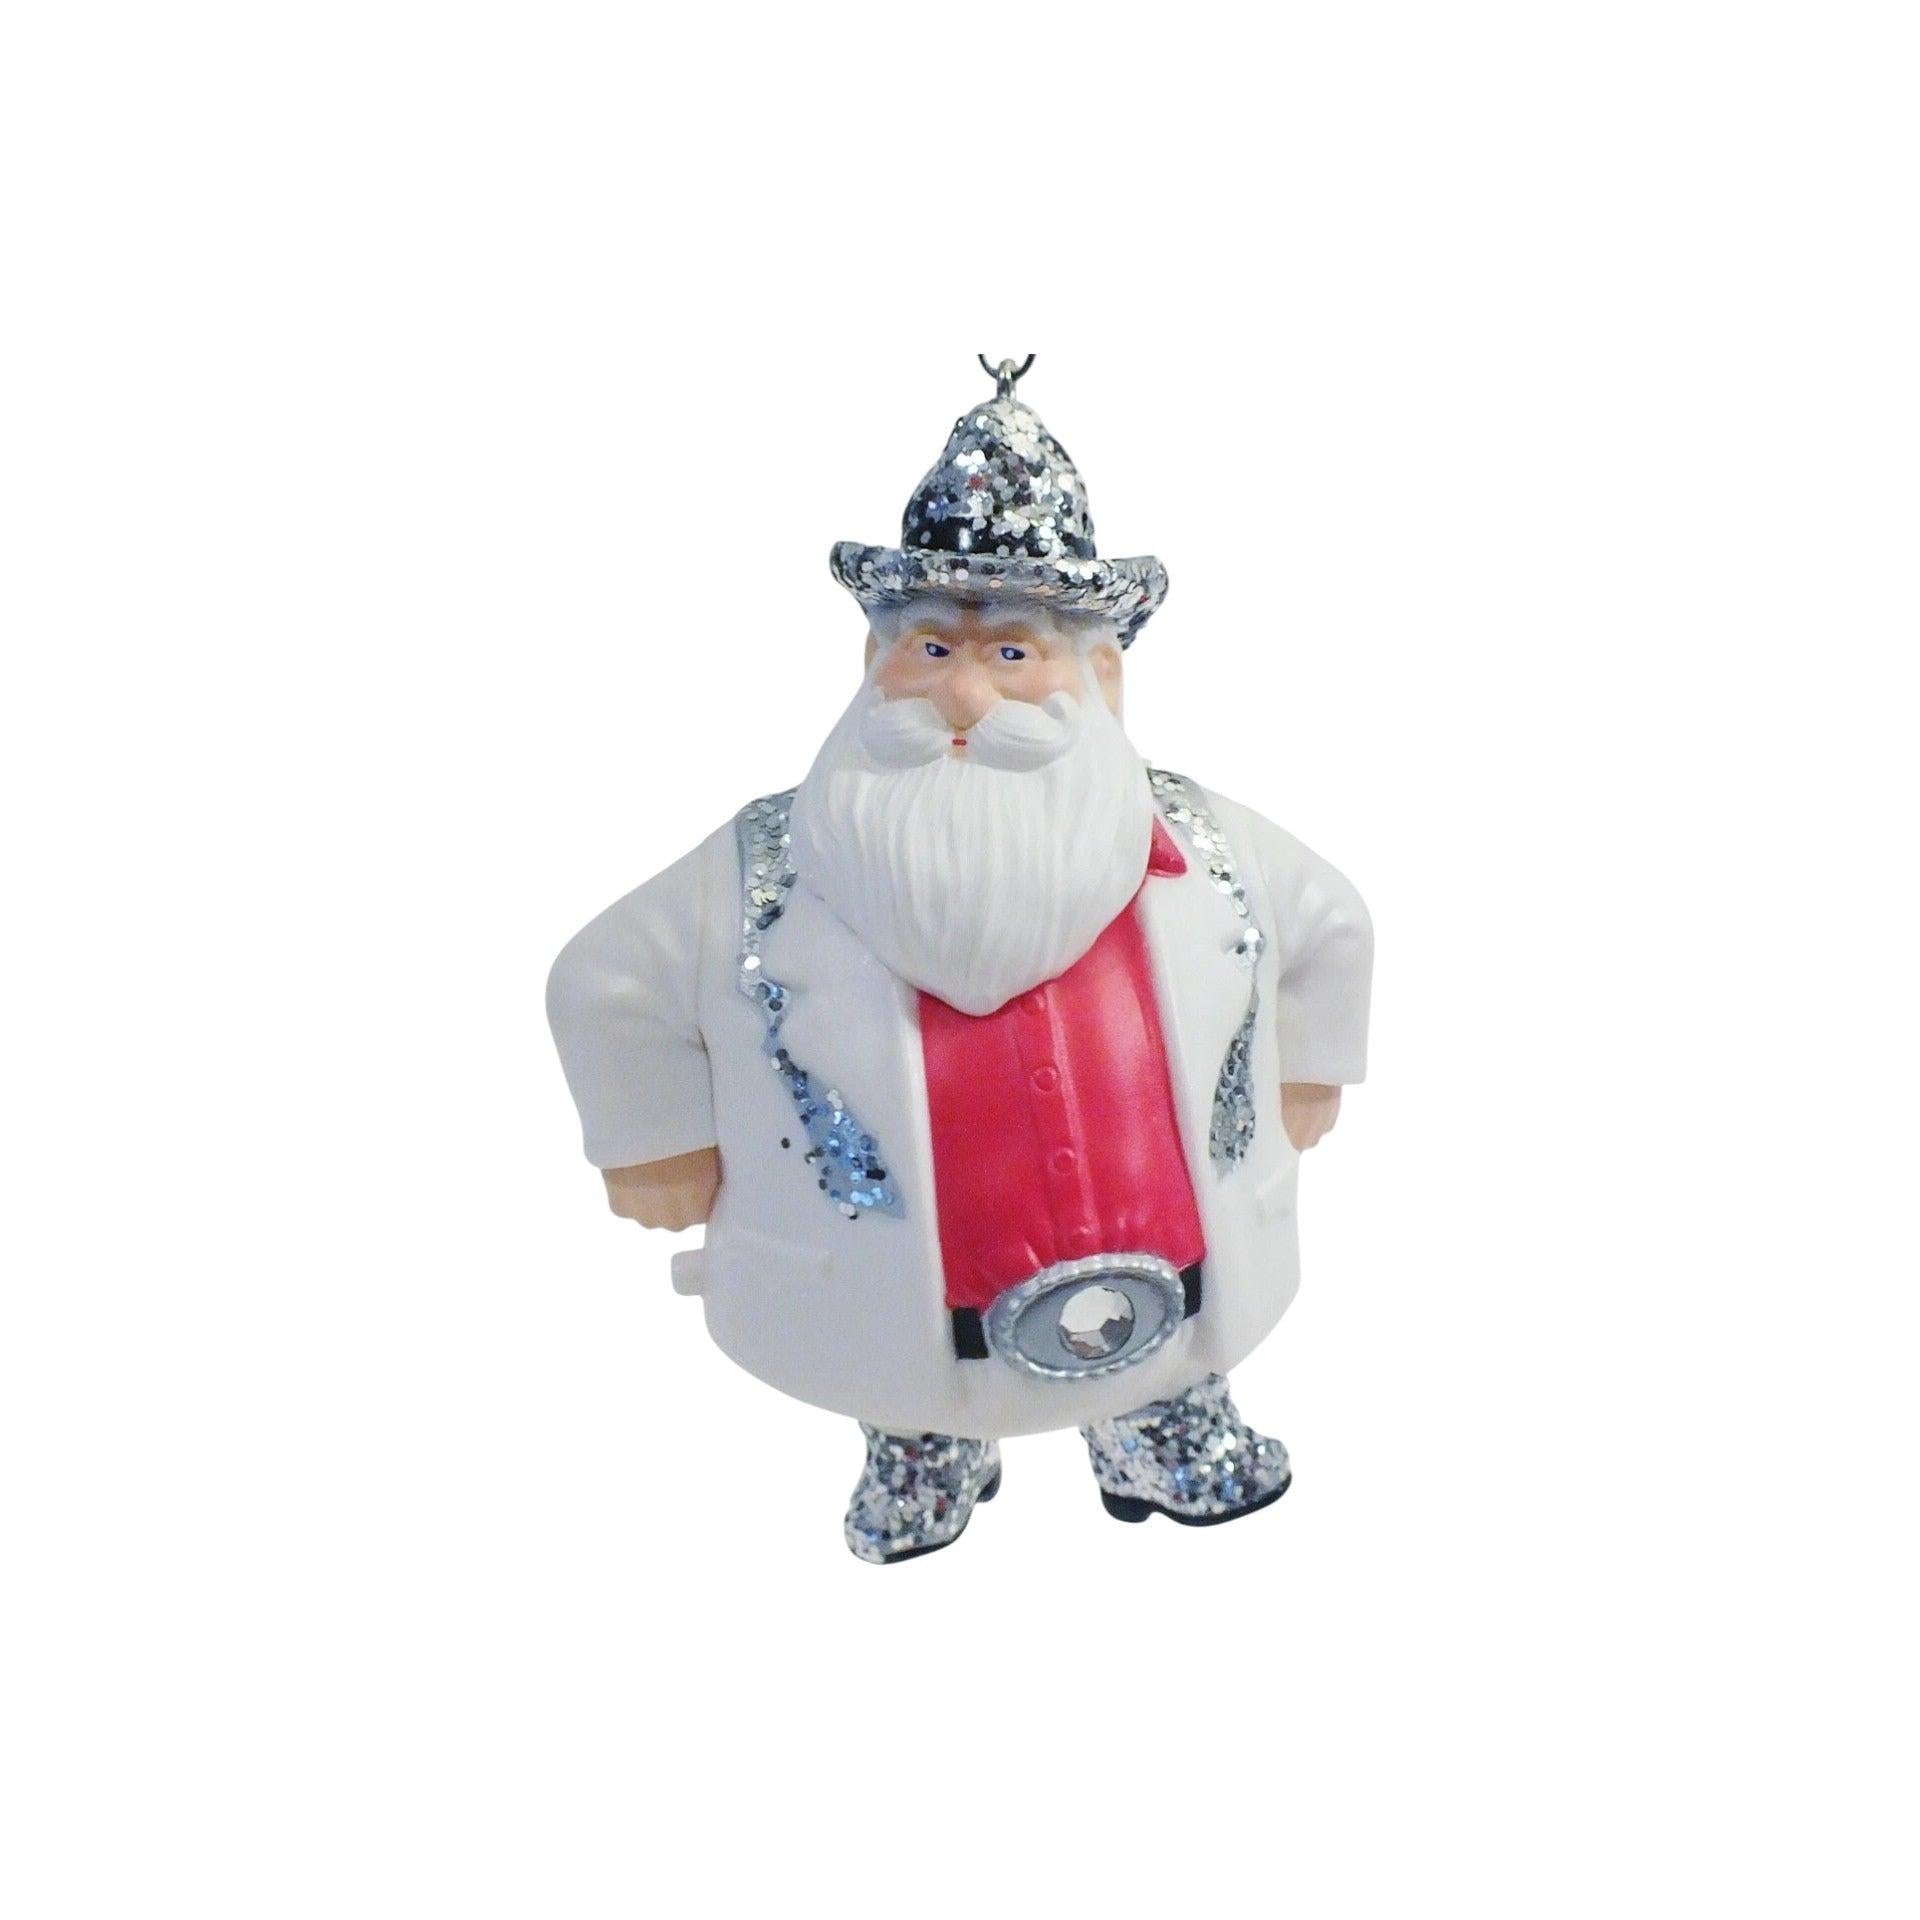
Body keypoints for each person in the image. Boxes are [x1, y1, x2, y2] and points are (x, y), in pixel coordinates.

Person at [548, 366, 1373, 1563]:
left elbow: (1334, 923)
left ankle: (1162, 1432)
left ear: (1099, 676)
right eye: (933, 648)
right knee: (903, 1374)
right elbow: (606, 979)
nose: (967, 695)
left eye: (1014, 653)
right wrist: (651, 1136)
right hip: (892, 1292)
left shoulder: (1206, 842)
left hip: (1173, 1258)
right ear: (874, 663)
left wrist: (1312, 1066)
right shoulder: (766, 867)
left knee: (1172, 1359)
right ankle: (923, 1449)